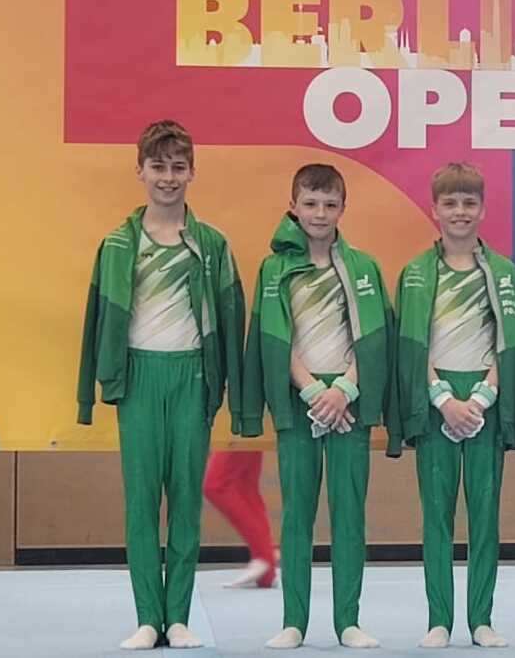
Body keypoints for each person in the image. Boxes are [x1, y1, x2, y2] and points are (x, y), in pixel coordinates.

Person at [76, 120, 246, 650]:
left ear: (192, 172)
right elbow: (95, 321)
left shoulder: (213, 245)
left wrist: (230, 394)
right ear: (140, 171)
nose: (168, 178)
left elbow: (231, 318)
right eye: (158, 167)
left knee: (186, 503)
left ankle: (179, 617)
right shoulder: (118, 244)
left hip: (192, 376)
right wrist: (92, 392)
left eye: (178, 167)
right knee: (142, 502)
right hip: (140, 378)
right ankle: (148, 616)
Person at [241, 164, 395, 650]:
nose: (320, 213)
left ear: (343, 209)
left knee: (349, 513)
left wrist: (346, 389)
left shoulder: (364, 268)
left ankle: (348, 620)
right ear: (293, 206)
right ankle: (294, 621)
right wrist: (310, 390)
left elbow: (375, 340)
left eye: (330, 205)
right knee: (298, 514)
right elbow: (272, 337)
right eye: (310, 203)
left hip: (348, 401)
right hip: (301, 401)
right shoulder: (275, 269)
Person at [386, 163, 515, 649]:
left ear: (483, 209)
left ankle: (482, 618)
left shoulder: (505, 274)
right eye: (450, 203)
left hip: (485, 401)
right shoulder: (415, 273)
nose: (460, 212)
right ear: (434, 210)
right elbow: (410, 343)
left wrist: (486, 395)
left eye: (469, 203)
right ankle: (439, 619)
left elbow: (511, 342)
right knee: (437, 517)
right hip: (437, 401)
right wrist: (442, 397)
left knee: (485, 515)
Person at [203, 450, 278, 588]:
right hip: (249, 430)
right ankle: (266, 566)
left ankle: (264, 555)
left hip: (237, 430)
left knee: (216, 485)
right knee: (245, 485)